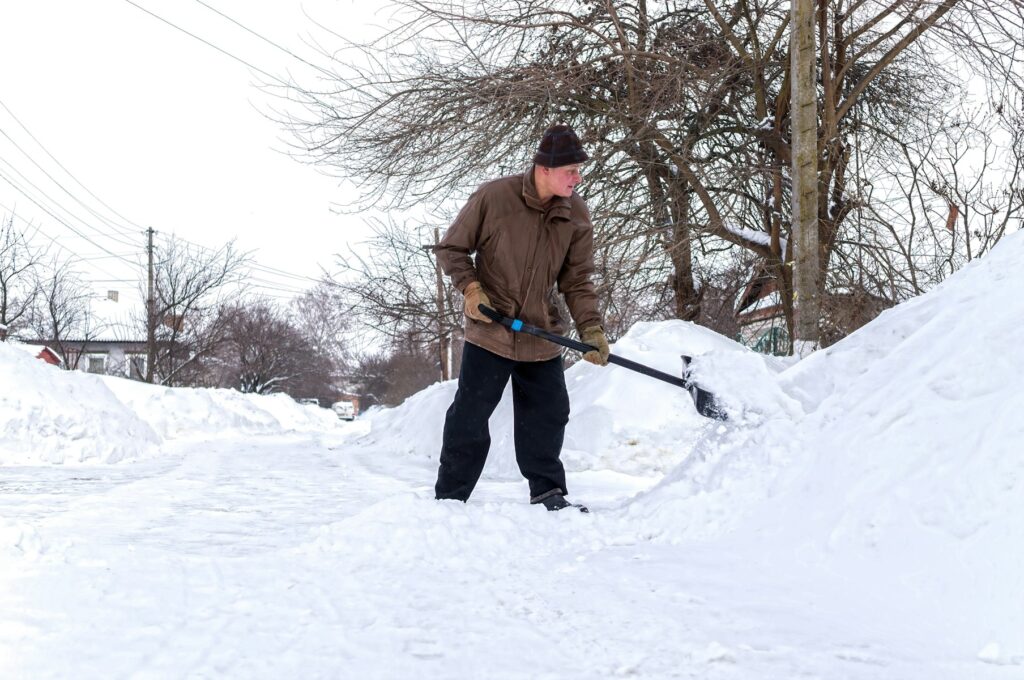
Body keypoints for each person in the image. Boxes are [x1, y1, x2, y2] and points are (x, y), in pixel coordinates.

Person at [433, 124, 610, 512]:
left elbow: (577, 280)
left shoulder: (576, 215)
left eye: (579, 170)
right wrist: (471, 289)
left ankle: (548, 493)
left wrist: (591, 328)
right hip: (491, 330)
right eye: (571, 171)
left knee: (549, 414)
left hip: (540, 332)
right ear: (544, 168)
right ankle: (449, 498)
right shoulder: (495, 197)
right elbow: (451, 248)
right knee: (471, 414)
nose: (578, 178)